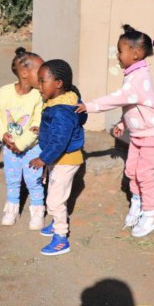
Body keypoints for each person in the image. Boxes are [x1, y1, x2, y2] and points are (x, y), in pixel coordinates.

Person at [77, 24, 154, 238]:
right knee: (131, 171)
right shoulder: (134, 74)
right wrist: (122, 123)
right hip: (139, 135)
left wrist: (91, 106)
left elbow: (119, 98)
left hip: (152, 136)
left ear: (135, 54)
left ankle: (151, 213)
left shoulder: (139, 77)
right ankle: (137, 202)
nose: (117, 55)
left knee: (144, 174)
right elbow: (133, 105)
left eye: (120, 51)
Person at [28, 59, 87, 256]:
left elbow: (60, 140)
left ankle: (61, 238)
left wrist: (43, 159)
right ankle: (56, 224)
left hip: (65, 159)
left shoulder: (62, 110)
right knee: (55, 194)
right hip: (61, 158)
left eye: (42, 81)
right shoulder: (61, 103)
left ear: (59, 83)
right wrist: (43, 131)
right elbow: (57, 131)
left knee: (54, 200)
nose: (38, 86)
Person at [0, 47, 45, 229]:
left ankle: (37, 211)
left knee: (34, 180)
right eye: (40, 71)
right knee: (12, 179)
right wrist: (2, 135)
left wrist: (21, 144)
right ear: (24, 73)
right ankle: (11, 209)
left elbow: (38, 122)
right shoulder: (4, 92)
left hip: (33, 148)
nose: (43, 75)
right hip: (10, 147)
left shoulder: (39, 96)